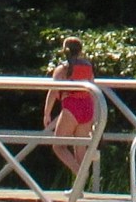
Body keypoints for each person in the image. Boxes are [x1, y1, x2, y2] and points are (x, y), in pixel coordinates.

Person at [43, 35, 102, 183]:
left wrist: (47, 113)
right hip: (87, 106)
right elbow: (93, 89)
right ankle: (79, 188)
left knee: (58, 146)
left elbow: (53, 91)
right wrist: (95, 115)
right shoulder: (88, 67)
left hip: (71, 107)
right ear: (80, 50)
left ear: (64, 50)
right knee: (80, 148)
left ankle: (79, 173)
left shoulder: (62, 69)